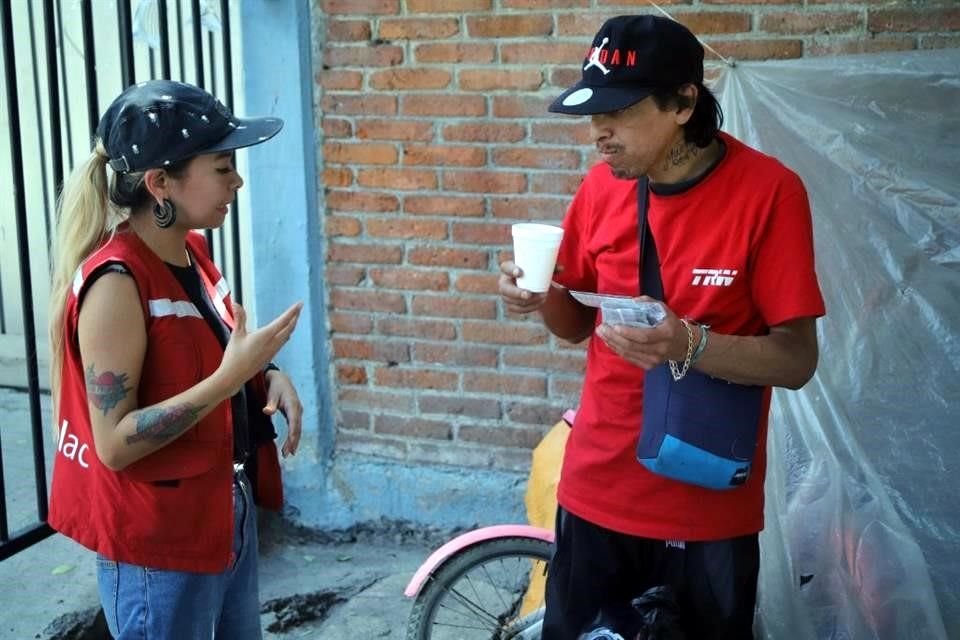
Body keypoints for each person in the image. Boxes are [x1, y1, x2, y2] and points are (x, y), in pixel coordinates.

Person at [498, 15, 826, 640]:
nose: (599, 132)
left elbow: (796, 360)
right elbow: (573, 327)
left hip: (706, 506)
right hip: (595, 490)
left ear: (683, 103)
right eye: (592, 113)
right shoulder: (600, 189)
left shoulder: (771, 193)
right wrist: (535, 296)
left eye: (618, 111)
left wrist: (687, 343)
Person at [47, 79, 304, 639]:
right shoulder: (115, 283)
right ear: (160, 182)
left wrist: (267, 375)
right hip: (157, 546)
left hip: (219, 511)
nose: (237, 180)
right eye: (221, 166)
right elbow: (114, 443)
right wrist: (228, 380)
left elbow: (217, 350)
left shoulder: (192, 249)